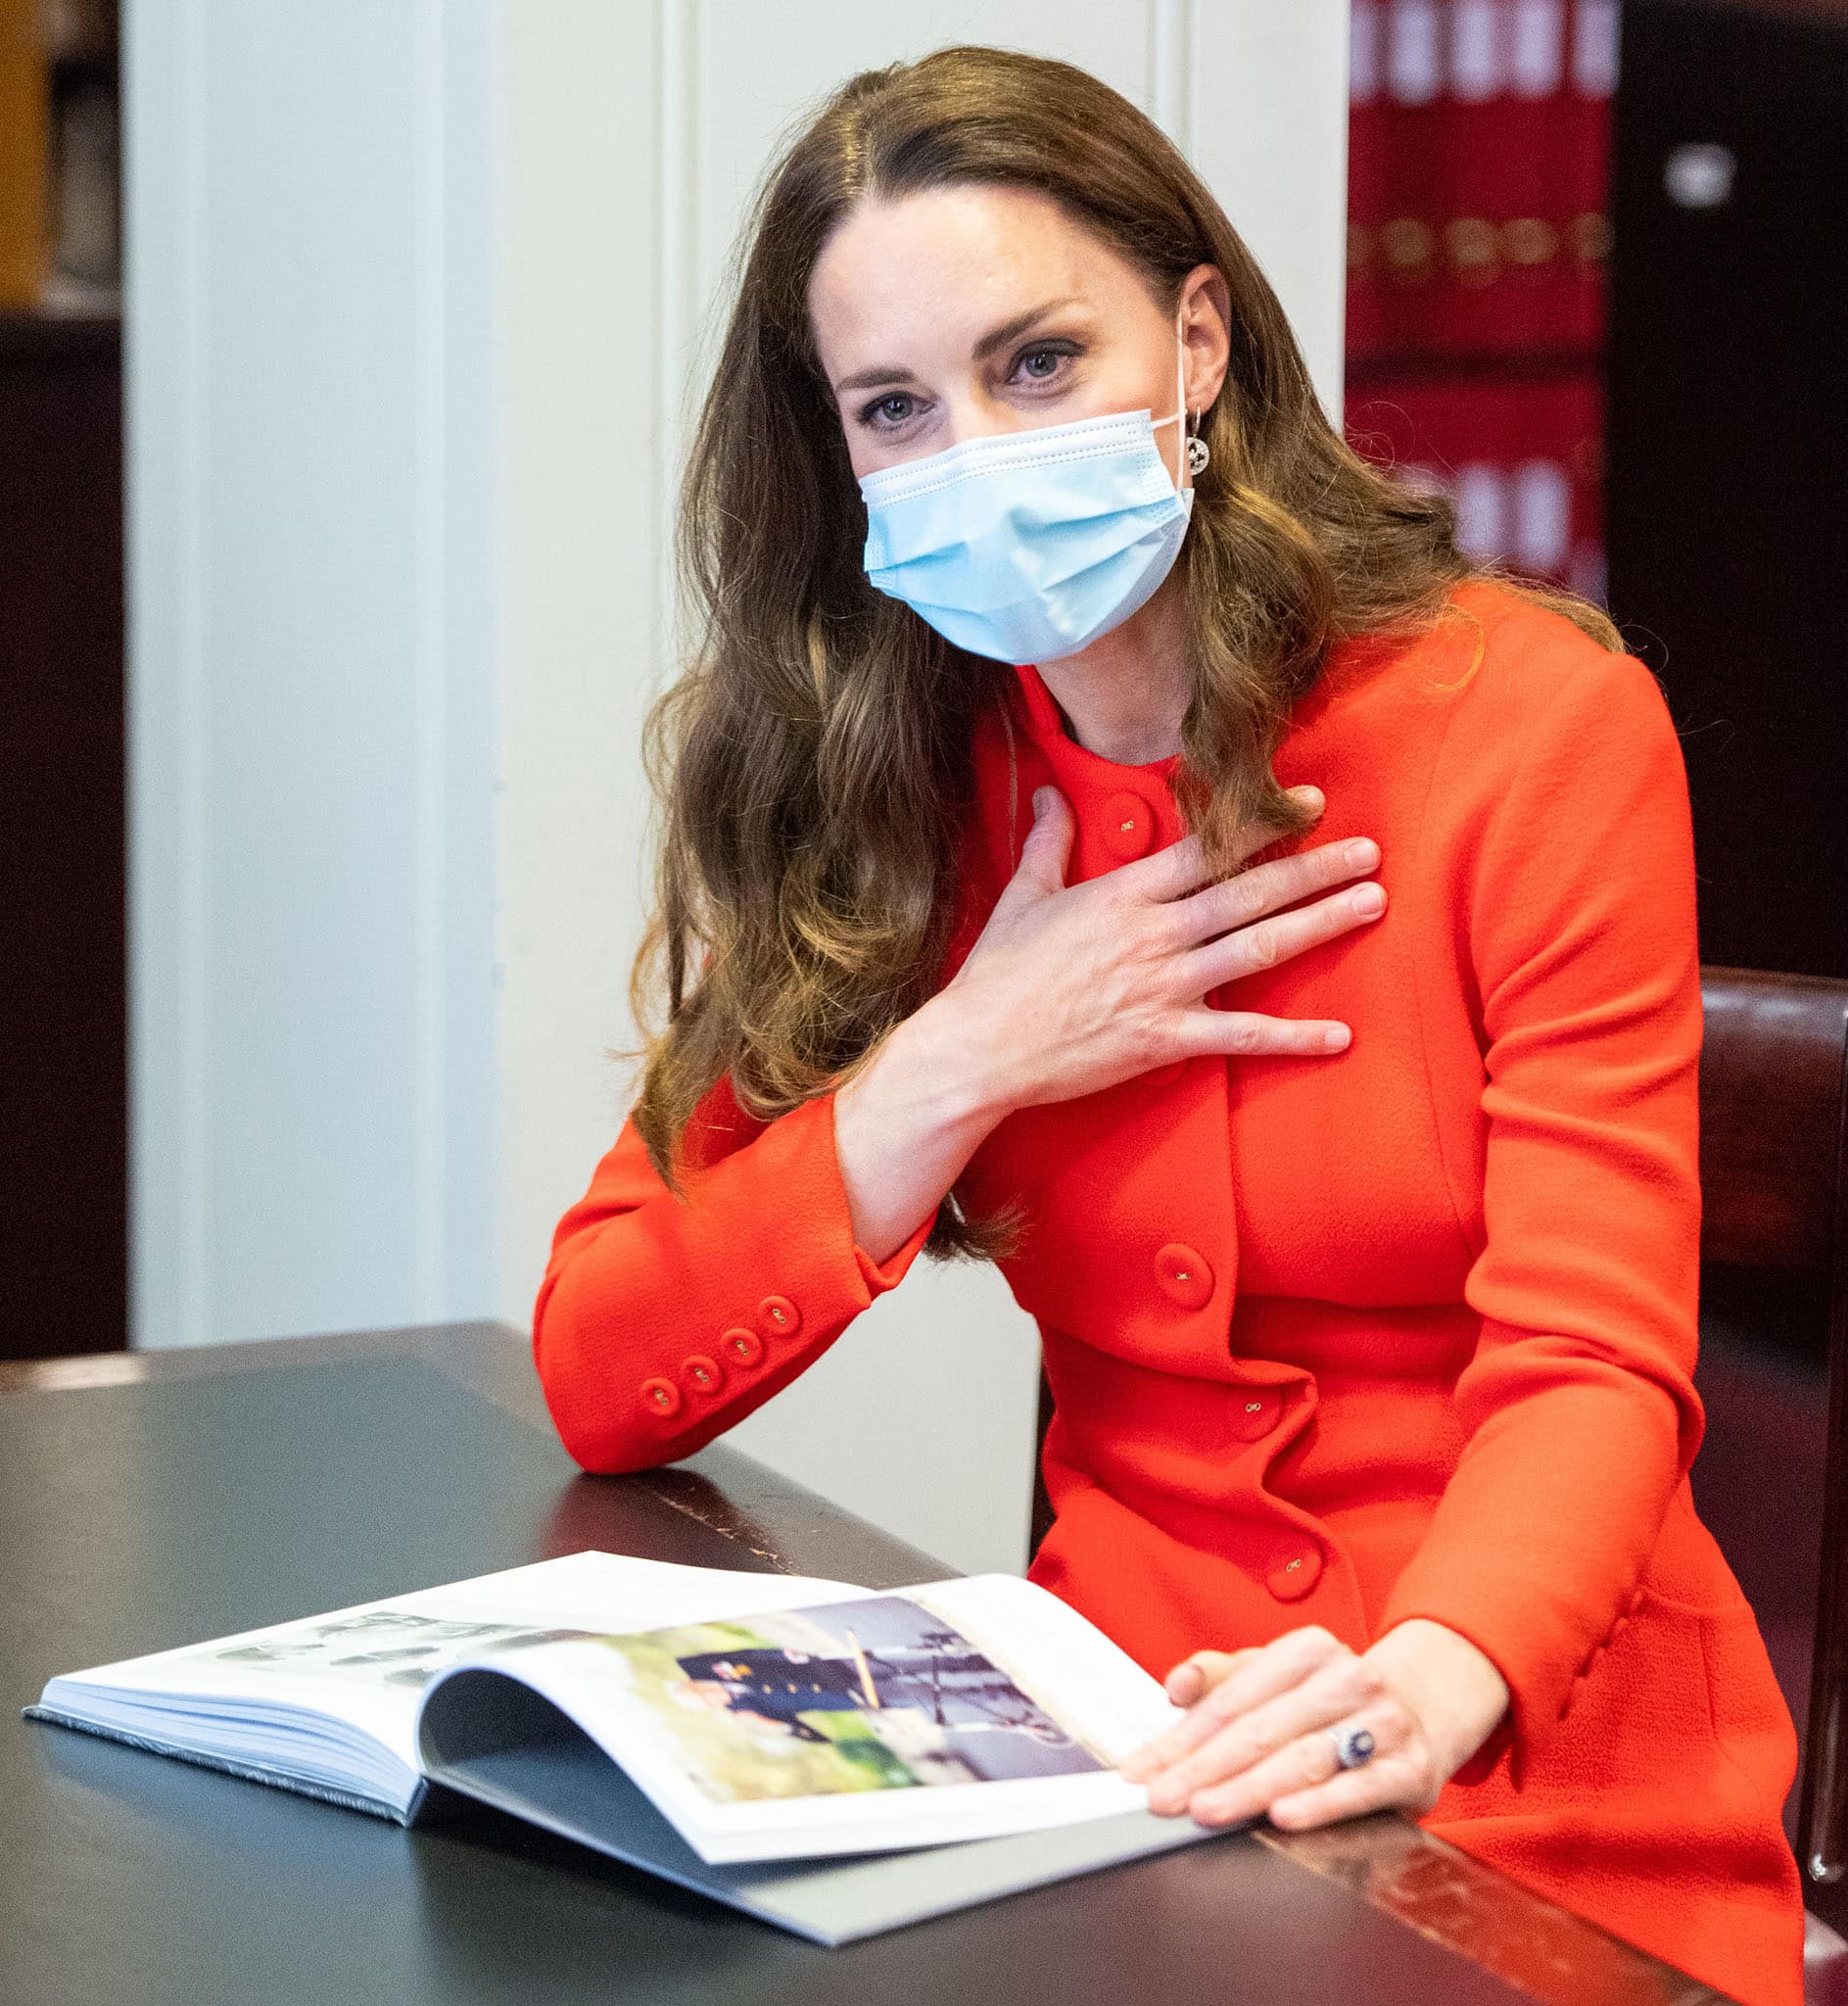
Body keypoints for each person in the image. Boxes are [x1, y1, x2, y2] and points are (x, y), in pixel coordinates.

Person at [529, 45, 1805, 2005]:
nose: (969, 451)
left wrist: (1426, 1677)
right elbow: (606, 1370)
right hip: (1102, 1771)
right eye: (894, 408)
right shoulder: (891, 785)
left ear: (1193, 338)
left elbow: (1591, 1352)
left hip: (1528, 1765)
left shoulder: (1528, 725)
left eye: (1034, 365)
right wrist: (965, 1051)